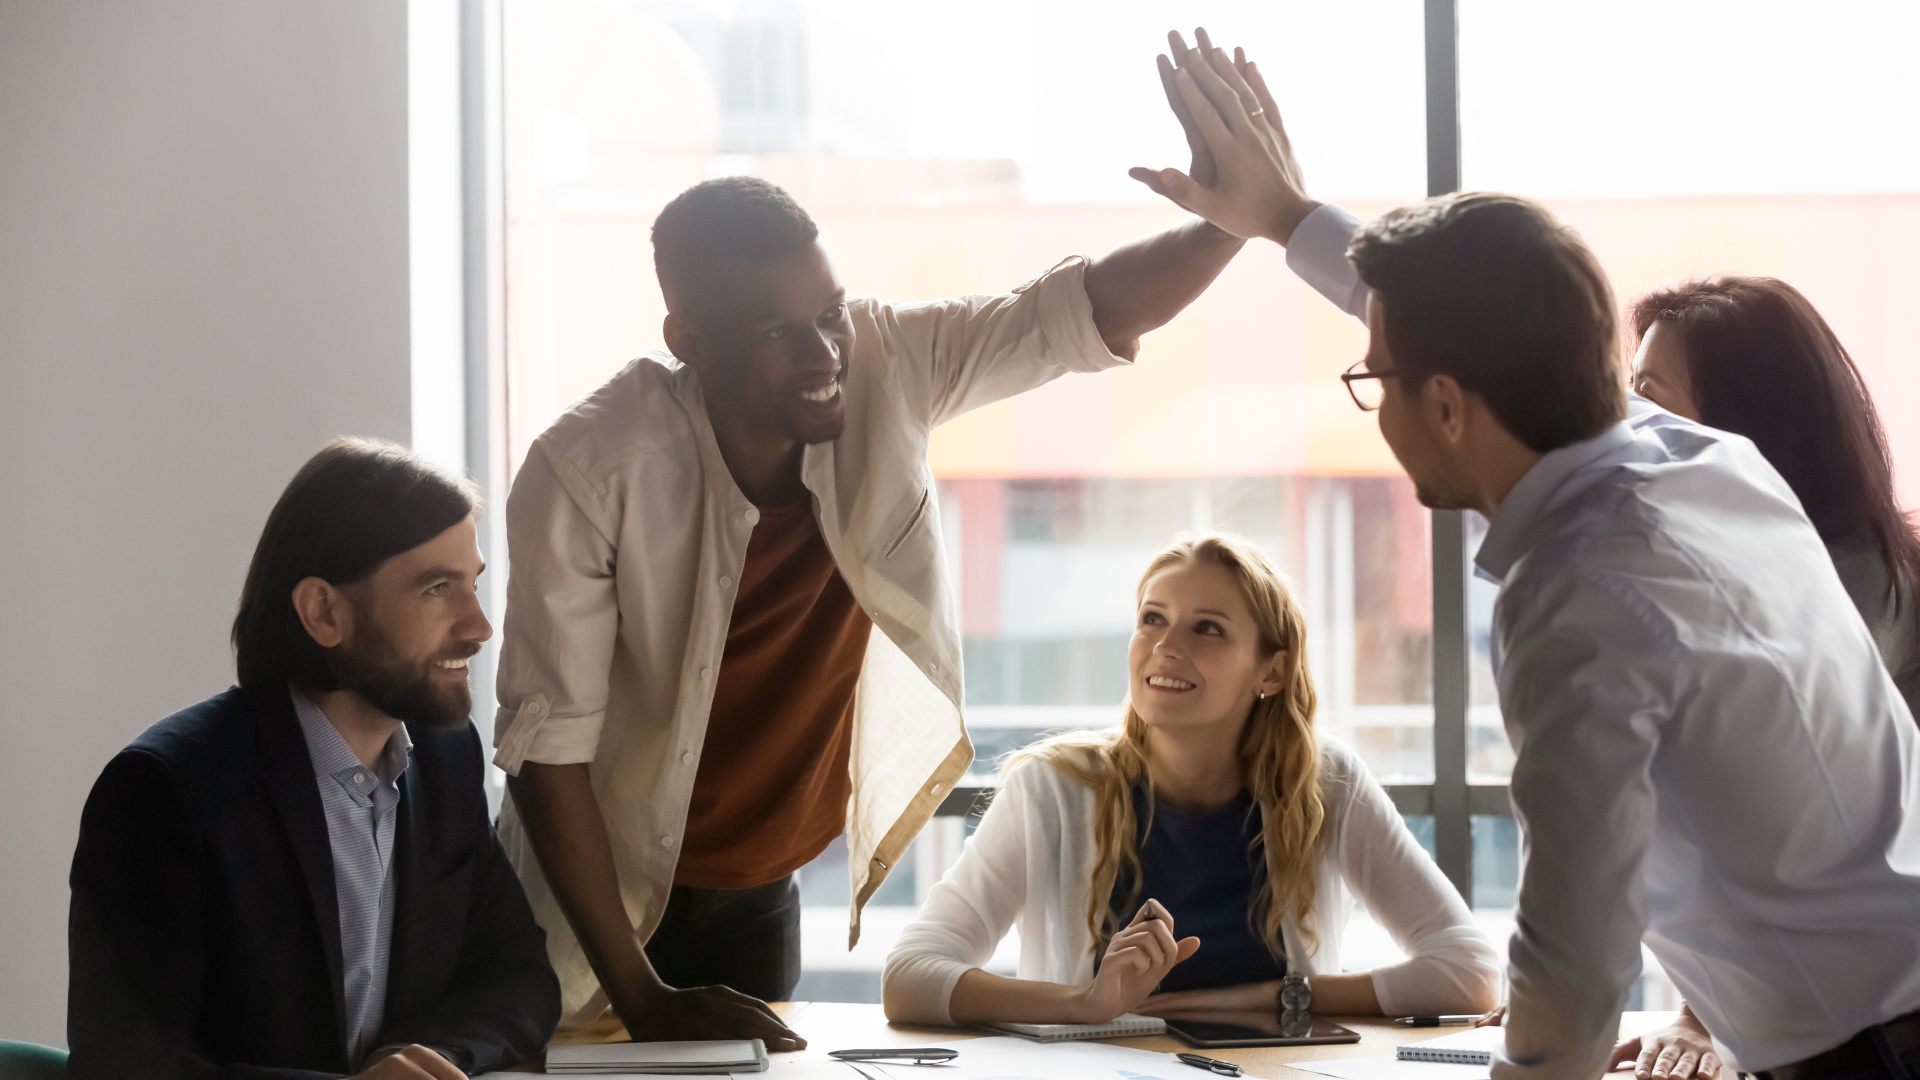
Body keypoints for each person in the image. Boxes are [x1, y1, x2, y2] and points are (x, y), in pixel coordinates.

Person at [1129, 29, 1920, 1080]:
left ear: (1446, 405)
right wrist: (1282, 218)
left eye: (1376, 382)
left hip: (1868, 1053)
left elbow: (1575, 950)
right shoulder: (1697, 455)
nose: (1376, 403)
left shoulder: (1580, 596)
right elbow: (1477, 324)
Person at [494, 157, 1254, 1044]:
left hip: (761, 887)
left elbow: (1074, 316)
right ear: (689, 340)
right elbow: (550, 756)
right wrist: (643, 993)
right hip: (599, 898)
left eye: (829, 315)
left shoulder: (888, 362)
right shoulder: (586, 469)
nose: (824, 356)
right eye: (777, 331)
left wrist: (1231, 221)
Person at [68, 439, 560, 1080]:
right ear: (324, 612)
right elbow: (122, 1066)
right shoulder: (163, 791)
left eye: (473, 584)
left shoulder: (446, 756)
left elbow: (515, 973)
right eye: (437, 589)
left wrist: (421, 1057)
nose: (478, 626)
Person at [881, 533, 1499, 1027]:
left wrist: (1275, 998)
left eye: (1207, 628)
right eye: (1152, 619)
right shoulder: (1051, 790)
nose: (1165, 648)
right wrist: (1083, 1006)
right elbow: (909, 975)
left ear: (1272, 671)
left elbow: (1469, 971)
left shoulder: (1324, 781)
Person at [1629, 277, 1920, 721]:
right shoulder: (1725, 561)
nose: (1624, 419)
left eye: (1647, 397)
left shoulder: (1854, 585)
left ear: (1745, 428)